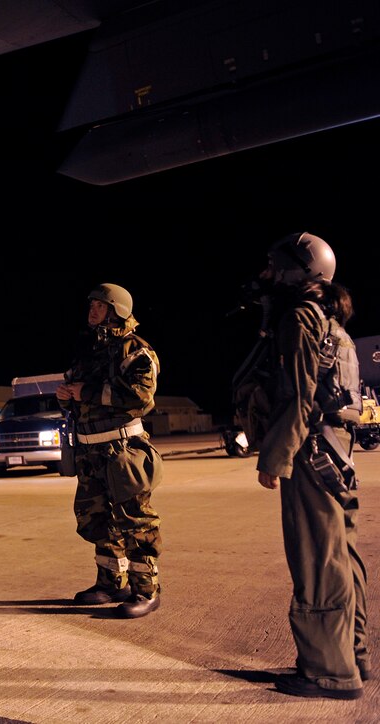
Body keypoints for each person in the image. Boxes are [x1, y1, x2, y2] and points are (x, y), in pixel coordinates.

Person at [234, 232, 367, 699]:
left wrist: (275, 457)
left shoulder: (299, 318)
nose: (266, 274)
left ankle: (329, 673)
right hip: (336, 450)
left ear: (296, 271)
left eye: (274, 266)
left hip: (310, 452)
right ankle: (353, 654)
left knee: (316, 560)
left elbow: (298, 395)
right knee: (341, 554)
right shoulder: (331, 321)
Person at [56, 283, 164, 619]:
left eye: (100, 306)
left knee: (135, 522)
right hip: (90, 451)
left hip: (122, 451)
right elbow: (77, 393)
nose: (92, 310)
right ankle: (110, 583)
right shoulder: (89, 351)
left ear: (116, 309)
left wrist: (84, 391)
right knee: (97, 521)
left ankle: (146, 590)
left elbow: (140, 396)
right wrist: (66, 397)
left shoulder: (136, 350)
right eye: (91, 305)